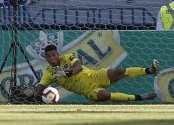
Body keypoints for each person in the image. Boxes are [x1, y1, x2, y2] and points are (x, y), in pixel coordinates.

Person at [23, 44, 159, 102]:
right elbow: (41, 87)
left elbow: (79, 66)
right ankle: (139, 97)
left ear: (58, 54)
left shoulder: (67, 58)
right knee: (105, 95)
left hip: (95, 76)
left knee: (116, 71)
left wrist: (67, 73)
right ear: (46, 58)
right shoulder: (49, 73)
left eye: (54, 55)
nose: (52, 59)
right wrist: (33, 91)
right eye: (49, 57)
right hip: (89, 90)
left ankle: (149, 70)